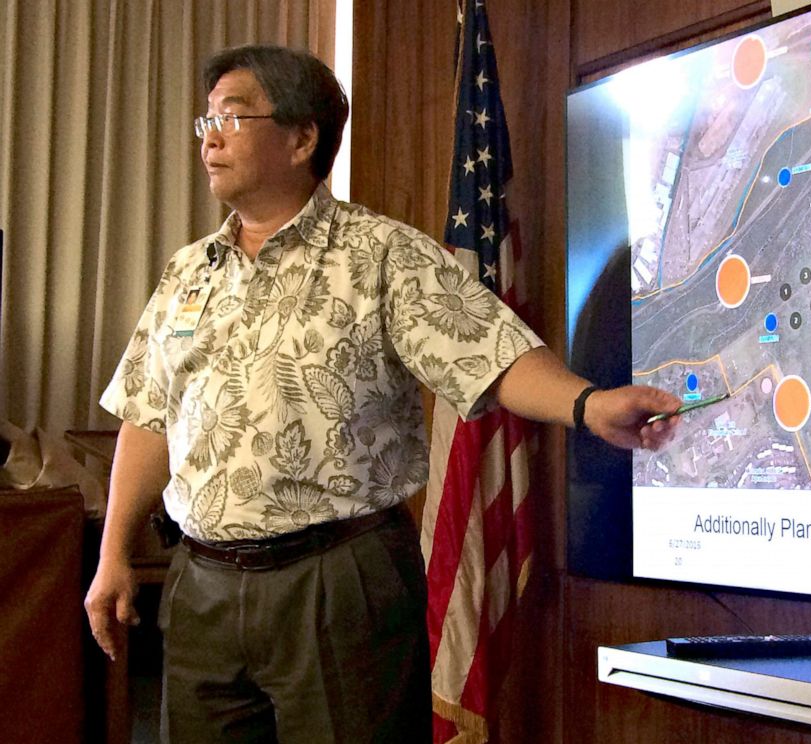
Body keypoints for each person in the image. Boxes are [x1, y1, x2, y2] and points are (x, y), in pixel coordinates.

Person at [84, 45, 681, 743]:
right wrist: (113, 554)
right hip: (203, 585)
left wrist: (589, 404)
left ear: (303, 137)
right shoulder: (188, 272)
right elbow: (150, 415)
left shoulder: (379, 255)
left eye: (235, 118)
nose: (211, 137)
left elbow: (489, 353)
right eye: (206, 120)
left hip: (338, 583)